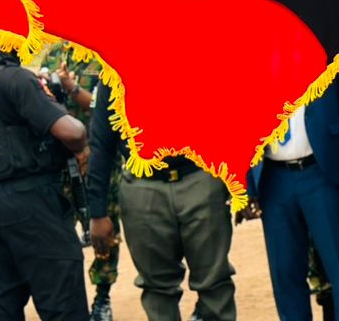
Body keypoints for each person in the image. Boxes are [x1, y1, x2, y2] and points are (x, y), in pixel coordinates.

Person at [88, 81, 237, 321]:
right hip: (143, 190)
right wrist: (97, 212)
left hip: (199, 178)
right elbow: (101, 144)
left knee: (214, 282)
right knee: (157, 289)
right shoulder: (113, 73)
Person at [0, 48, 90, 321]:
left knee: (3, 306)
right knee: (63, 302)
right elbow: (74, 133)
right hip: (31, 201)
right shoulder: (15, 78)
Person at [246, 61, 339, 321]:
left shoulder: (332, 39)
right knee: (285, 274)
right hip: (273, 179)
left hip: (322, 172)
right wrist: (244, 182)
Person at [37, 41, 121, 321]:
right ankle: (72, 300)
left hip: (97, 160)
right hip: (61, 161)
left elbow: (103, 107)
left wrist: (73, 88)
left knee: (103, 232)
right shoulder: (50, 54)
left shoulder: (102, 53)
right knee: (61, 235)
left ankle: (102, 298)